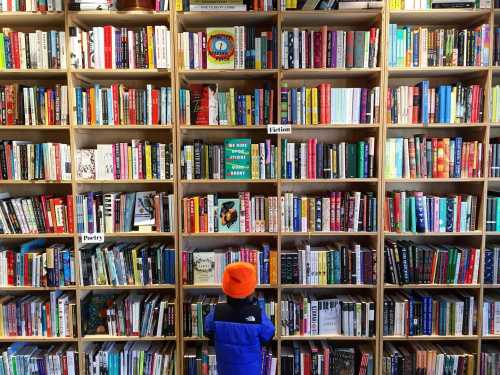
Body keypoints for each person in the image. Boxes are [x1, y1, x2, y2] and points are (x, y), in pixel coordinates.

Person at [204, 262, 275, 375]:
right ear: (251, 289)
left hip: (225, 371)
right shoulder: (257, 314)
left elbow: (207, 331)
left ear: (226, 287)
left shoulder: (217, 312)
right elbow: (268, 335)